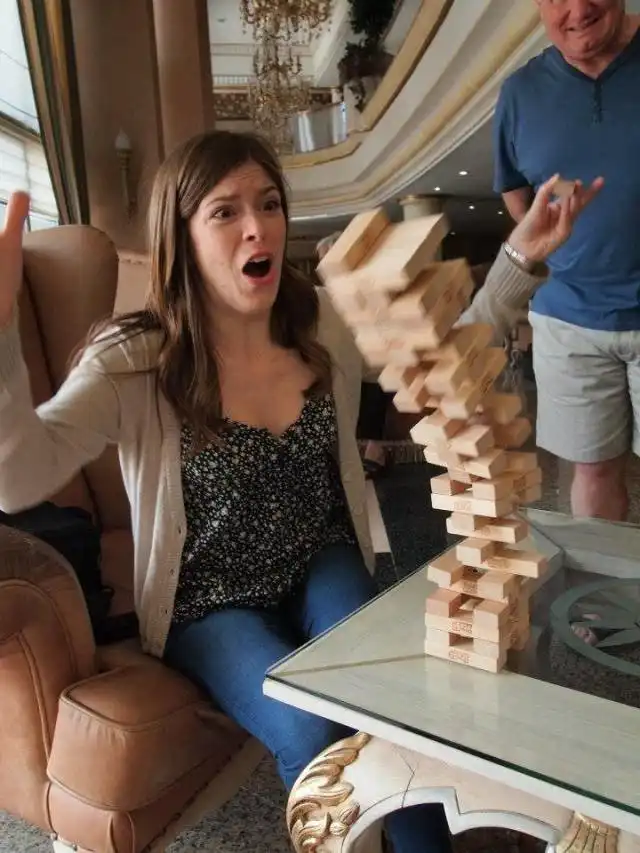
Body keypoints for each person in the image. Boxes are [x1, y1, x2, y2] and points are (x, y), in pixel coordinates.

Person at [0, 132, 595, 851]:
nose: (258, 227)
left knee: (397, 705)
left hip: (321, 557)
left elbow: (443, 358)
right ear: (181, 236)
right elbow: (19, 477)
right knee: (313, 734)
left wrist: (519, 258)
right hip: (209, 600)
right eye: (225, 212)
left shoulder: (319, 323)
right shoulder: (133, 359)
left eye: (269, 203)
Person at [493, 0, 640, 521]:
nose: (577, 9)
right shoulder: (519, 92)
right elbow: (515, 189)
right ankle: (599, 580)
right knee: (592, 471)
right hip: (568, 319)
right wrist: (555, 252)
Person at [316, 232, 391, 479]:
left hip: (372, 356)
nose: (323, 265)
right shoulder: (323, 294)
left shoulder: (366, 285)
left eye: (328, 258)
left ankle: (375, 450)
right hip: (341, 359)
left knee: (373, 384)